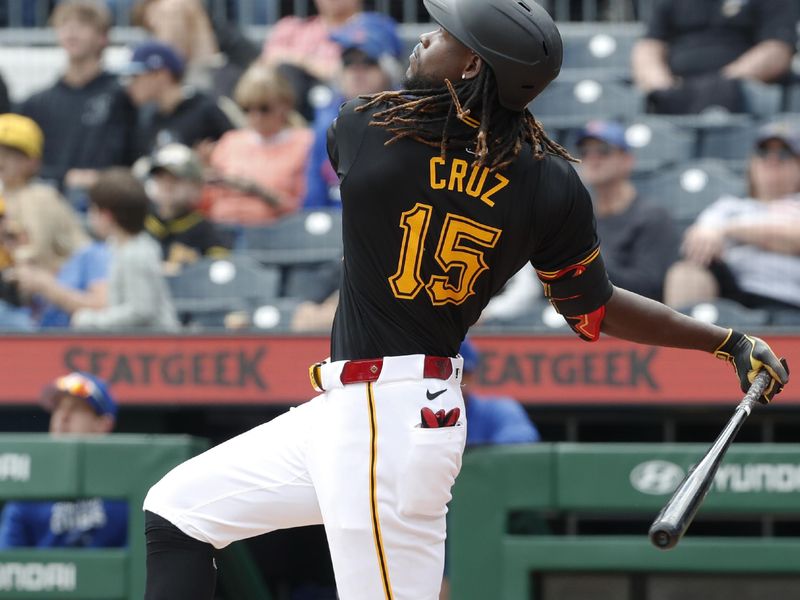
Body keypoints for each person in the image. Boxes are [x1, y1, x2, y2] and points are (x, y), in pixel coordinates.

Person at [142, 2, 789, 600]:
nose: (425, 37)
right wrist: (722, 339)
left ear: (475, 65)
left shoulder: (368, 126)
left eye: (447, 36)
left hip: (384, 416)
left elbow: (416, 147)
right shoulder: (549, 179)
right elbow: (594, 310)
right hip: (370, 412)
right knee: (179, 508)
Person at [664, 121, 800, 315]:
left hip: (785, 298)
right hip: (730, 289)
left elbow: (794, 238)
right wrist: (705, 234)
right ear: (752, 163)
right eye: (763, 153)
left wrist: (727, 230)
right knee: (687, 271)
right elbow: (697, 239)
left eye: (783, 154)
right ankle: (680, 344)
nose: (772, 160)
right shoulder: (727, 206)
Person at [20, 0, 137, 199]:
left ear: (102, 37)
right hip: (51, 200)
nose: (72, 30)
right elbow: (23, 163)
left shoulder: (123, 96)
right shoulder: (36, 103)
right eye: (64, 24)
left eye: (83, 24)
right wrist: (65, 176)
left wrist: (104, 179)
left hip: (110, 203)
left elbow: (133, 157)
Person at [0, 372, 127, 548]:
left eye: (76, 408)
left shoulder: (126, 485)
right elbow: (7, 564)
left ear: (103, 424)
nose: (63, 416)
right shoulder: (28, 487)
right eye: (58, 407)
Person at [303, 12, 403, 210]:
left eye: (368, 62)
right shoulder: (326, 119)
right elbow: (312, 202)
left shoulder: (410, 117)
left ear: (389, 68)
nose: (357, 71)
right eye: (349, 62)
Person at [631, 0, 798, 114]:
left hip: (740, 89)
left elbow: (777, 49)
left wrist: (721, 82)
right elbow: (649, 45)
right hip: (677, 88)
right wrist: (662, 85)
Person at [576, 120, 679, 301]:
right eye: (585, 152)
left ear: (627, 160)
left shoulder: (652, 216)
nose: (593, 159)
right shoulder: (577, 217)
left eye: (603, 151)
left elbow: (649, 288)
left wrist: (587, 263)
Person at [71, 168, 179, 331]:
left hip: (155, 348)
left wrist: (92, 320)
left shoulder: (135, 254)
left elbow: (141, 311)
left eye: (93, 209)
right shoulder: (120, 247)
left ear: (107, 215)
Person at [206, 63, 313, 225]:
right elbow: (209, 200)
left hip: (277, 234)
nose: (255, 117)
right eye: (247, 108)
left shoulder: (305, 143)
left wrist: (260, 192)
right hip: (224, 230)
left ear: (285, 105)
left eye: (264, 108)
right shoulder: (230, 141)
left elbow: (307, 208)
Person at [0, 113, 88, 275]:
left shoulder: (40, 196)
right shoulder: (4, 194)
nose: (2, 160)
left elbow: (35, 254)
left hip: (52, 287)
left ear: (32, 161)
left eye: (11, 154)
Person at [122, 41, 235, 160]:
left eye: (135, 76)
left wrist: (215, 155)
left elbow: (239, 147)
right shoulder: (149, 118)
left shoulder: (204, 109)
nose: (130, 84)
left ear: (161, 75)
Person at [142, 143, 229, 273]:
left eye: (175, 179)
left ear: (196, 186)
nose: (167, 186)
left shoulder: (204, 230)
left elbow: (221, 272)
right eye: (160, 178)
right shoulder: (140, 222)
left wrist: (194, 265)